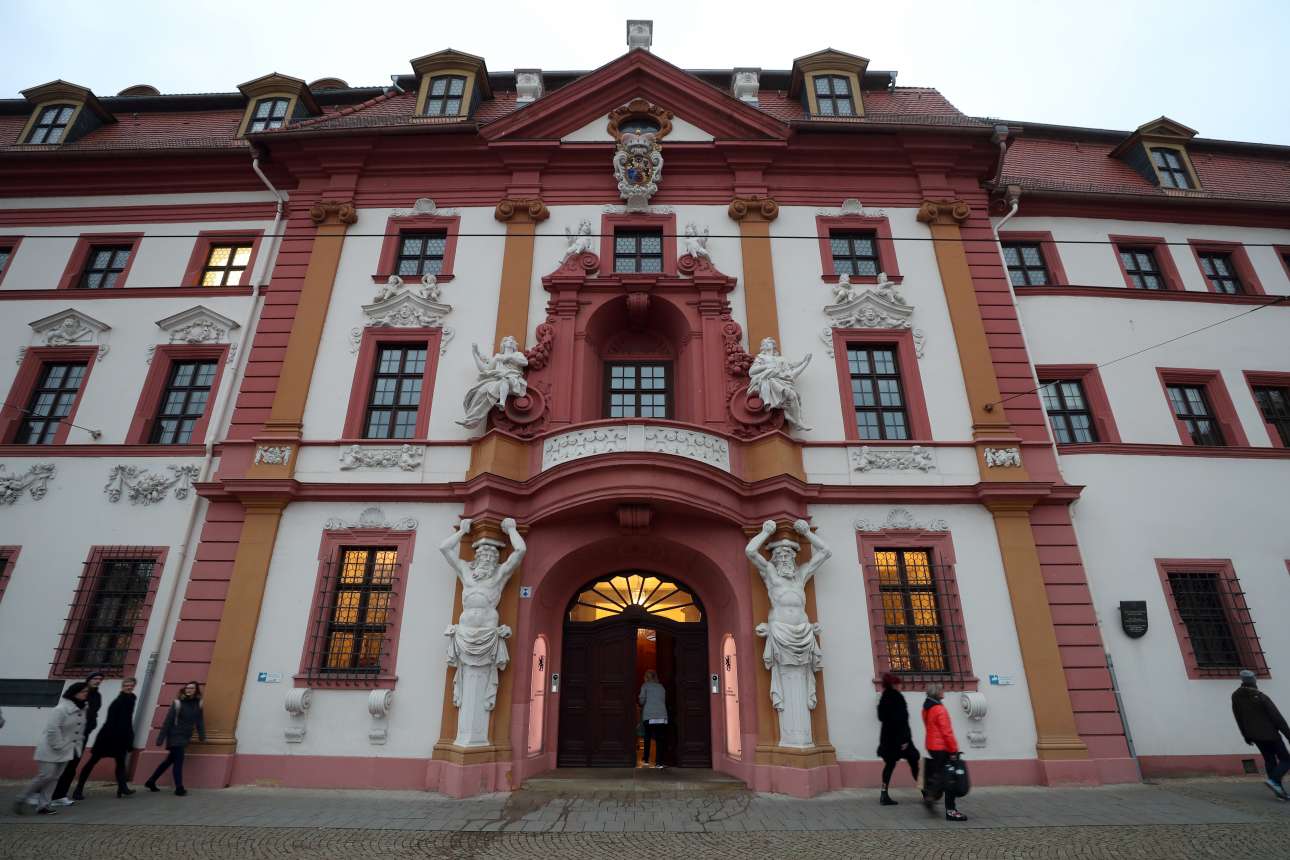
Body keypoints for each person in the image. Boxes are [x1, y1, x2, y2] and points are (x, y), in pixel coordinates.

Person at [13, 682, 89, 815]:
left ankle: (44, 805)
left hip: (67, 749)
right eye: (83, 691)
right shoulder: (61, 709)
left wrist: (77, 748)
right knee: (45, 776)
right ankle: (21, 798)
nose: (86, 694)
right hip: (50, 748)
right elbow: (52, 729)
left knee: (55, 778)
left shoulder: (82, 709)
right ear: (74, 693)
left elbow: (79, 731)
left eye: (87, 691)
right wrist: (58, 745)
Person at [72, 676, 138, 799]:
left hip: (122, 737)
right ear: (122, 687)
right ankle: (78, 789)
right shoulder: (118, 702)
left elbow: (127, 720)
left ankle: (122, 788)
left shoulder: (132, 698)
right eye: (126, 685)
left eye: (131, 685)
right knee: (93, 761)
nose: (129, 687)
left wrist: (129, 737)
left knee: (120, 762)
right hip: (108, 736)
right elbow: (111, 721)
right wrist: (117, 737)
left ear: (134, 686)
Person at [1231, 669, 1290, 800]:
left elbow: (1239, 718)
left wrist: (1246, 735)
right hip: (1271, 734)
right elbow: (1277, 718)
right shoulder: (1261, 697)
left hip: (1255, 736)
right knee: (1286, 759)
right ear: (1253, 681)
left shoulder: (1236, 696)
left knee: (1269, 760)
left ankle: (1279, 791)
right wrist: (1288, 735)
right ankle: (1274, 781)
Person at [50, 671, 103, 806]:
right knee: (57, 767)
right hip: (67, 735)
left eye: (100, 679)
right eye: (95, 678)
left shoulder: (97, 696)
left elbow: (93, 713)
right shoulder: (77, 693)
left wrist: (91, 726)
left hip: (81, 736)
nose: (98, 681)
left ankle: (60, 795)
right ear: (89, 679)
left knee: (72, 766)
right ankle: (41, 793)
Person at [145, 681, 206, 796]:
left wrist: (202, 735)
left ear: (196, 691)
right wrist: (161, 738)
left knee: (169, 761)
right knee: (178, 761)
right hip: (175, 736)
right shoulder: (178, 703)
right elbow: (168, 721)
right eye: (187, 688)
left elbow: (199, 721)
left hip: (185, 736)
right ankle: (179, 788)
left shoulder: (198, 704)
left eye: (192, 688)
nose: (189, 690)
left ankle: (151, 781)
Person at [921, 684, 967, 821]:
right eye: (941, 689)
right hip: (942, 747)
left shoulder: (926, 708)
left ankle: (930, 793)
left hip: (931, 745)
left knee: (941, 774)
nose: (943, 691)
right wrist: (953, 750)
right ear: (937, 692)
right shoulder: (939, 709)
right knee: (949, 778)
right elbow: (947, 732)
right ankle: (949, 809)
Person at [876, 672, 920, 805]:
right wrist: (904, 739)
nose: (901, 686)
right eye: (899, 683)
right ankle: (925, 791)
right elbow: (902, 720)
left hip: (888, 739)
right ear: (894, 685)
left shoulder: (884, 697)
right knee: (914, 762)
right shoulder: (897, 698)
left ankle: (884, 794)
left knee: (889, 765)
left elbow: (881, 717)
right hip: (901, 739)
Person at [638, 669, 668, 768]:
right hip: (662, 716)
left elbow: (642, 700)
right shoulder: (661, 687)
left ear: (646, 677)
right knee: (659, 739)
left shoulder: (645, 686)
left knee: (647, 737)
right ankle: (659, 763)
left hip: (649, 715)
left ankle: (646, 760)